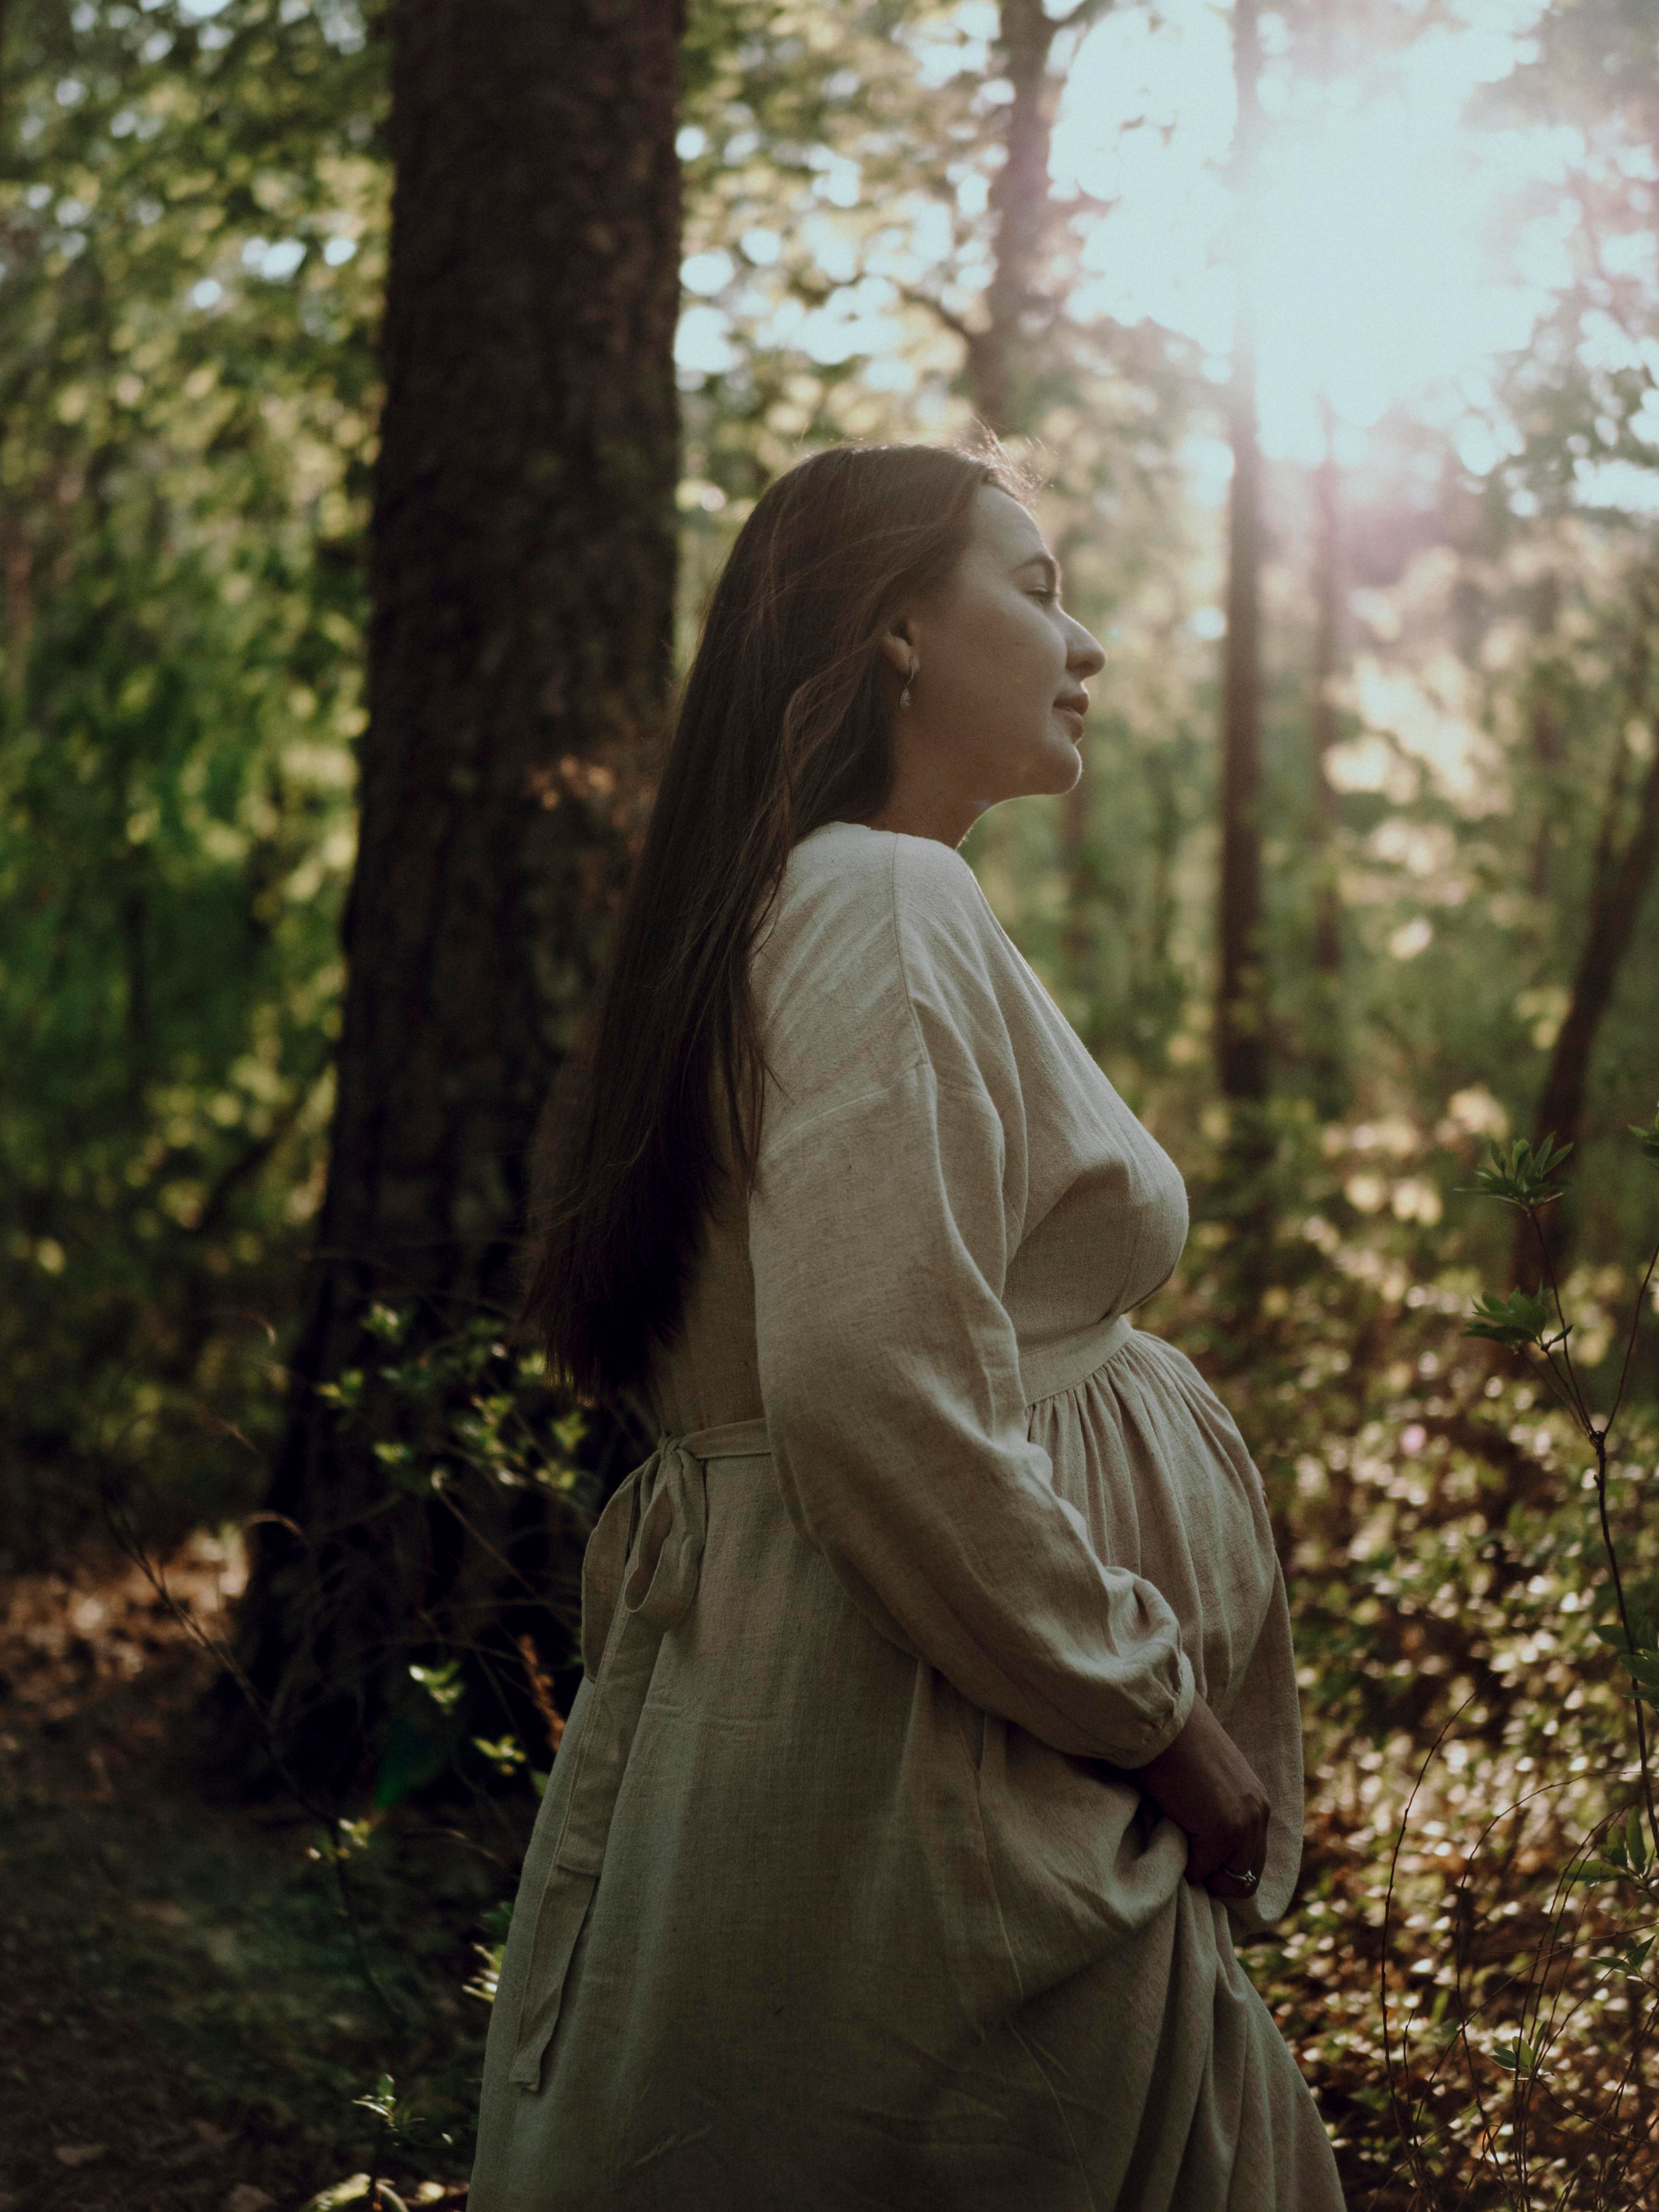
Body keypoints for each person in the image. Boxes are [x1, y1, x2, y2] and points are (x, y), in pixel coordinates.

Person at [467, 442, 1346, 2210]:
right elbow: (876, 1392)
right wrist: (1162, 1724)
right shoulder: (879, 895)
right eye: (1033, 589)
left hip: (879, 1724)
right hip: (932, 1760)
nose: (1084, 644)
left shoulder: (807, 904)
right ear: (895, 634)